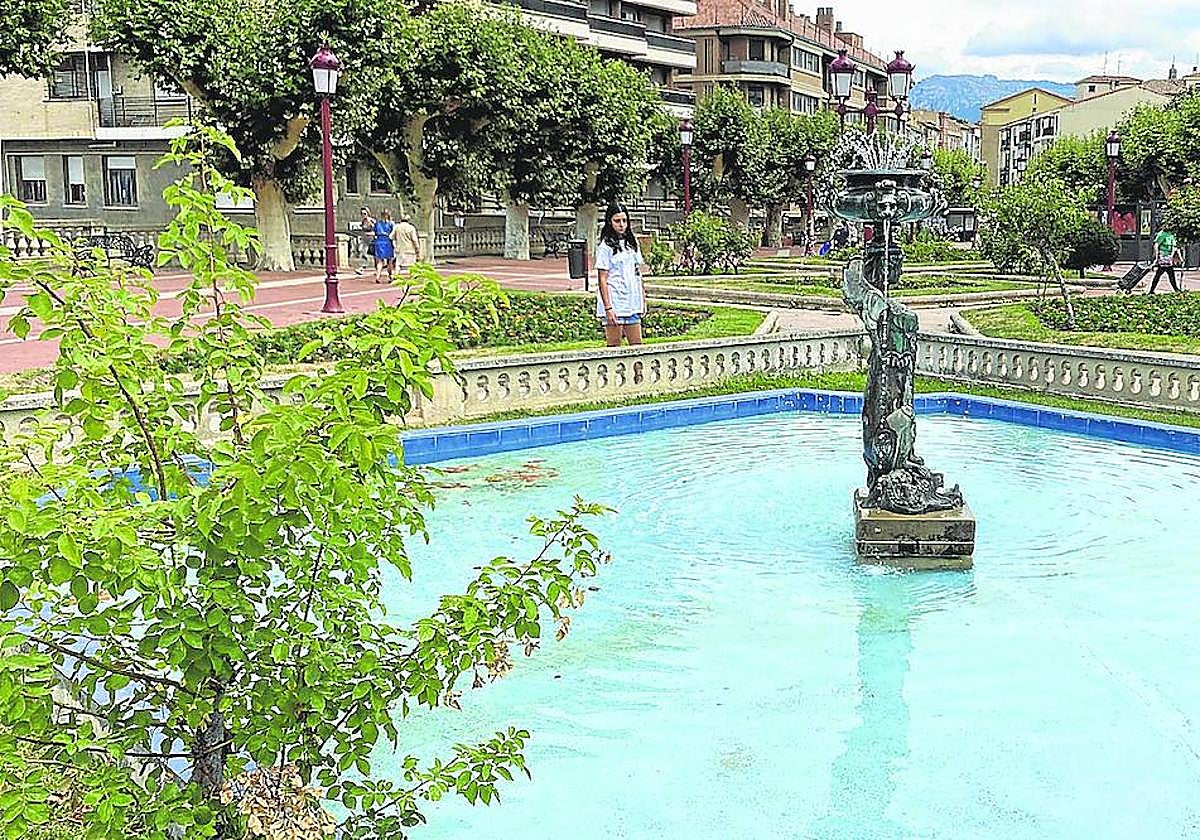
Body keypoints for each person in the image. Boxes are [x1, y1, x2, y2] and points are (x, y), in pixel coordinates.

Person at [595, 202, 647, 347]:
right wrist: (608, 308)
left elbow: (638, 273)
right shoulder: (606, 247)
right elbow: (602, 279)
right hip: (615, 302)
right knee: (614, 345)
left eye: (624, 221)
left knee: (637, 346)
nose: (621, 225)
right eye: (617, 221)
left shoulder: (632, 244)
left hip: (632, 302)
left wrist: (642, 300)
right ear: (609, 222)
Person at [1149, 226, 1183, 293]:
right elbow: (1156, 245)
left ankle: (1152, 290)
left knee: (1163, 274)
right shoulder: (1161, 234)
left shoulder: (1172, 234)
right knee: (1168, 273)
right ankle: (1176, 289)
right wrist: (1157, 256)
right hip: (1163, 257)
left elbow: (1175, 246)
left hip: (1169, 257)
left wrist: (1180, 257)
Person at [372, 208, 396, 283]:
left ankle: (378, 276)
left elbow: (375, 233)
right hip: (387, 241)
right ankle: (390, 276)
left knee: (379, 261)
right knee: (389, 260)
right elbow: (393, 234)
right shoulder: (391, 224)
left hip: (379, 241)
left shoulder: (377, 223)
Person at [354, 206, 375, 275]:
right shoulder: (363, 221)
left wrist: (370, 224)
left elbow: (375, 228)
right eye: (362, 214)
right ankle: (362, 268)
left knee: (374, 254)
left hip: (371, 238)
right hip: (365, 239)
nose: (363, 215)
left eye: (364, 214)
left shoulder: (371, 220)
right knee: (363, 252)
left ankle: (378, 268)